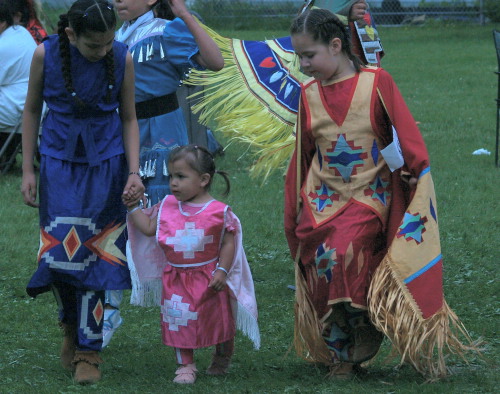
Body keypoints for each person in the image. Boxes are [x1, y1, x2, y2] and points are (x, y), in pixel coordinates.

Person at [284, 8, 478, 380]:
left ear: (336, 45)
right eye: (299, 57)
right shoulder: (308, 95)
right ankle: (341, 347)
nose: (303, 64)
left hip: (368, 194)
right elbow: (303, 153)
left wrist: (416, 173)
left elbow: (403, 133)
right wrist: (293, 206)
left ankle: (363, 330)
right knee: (321, 257)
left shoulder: (376, 82)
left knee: (347, 248)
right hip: (323, 198)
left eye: (309, 55)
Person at [20, 0, 144, 385]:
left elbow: (129, 117)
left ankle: (89, 352)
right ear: (71, 34)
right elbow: (30, 111)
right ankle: (70, 330)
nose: (104, 51)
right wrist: (27, 169)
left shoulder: (121, 57)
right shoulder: (45, 54)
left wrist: (135, 172)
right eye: (95, 46)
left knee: (98, 253)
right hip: (58, 163)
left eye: (109, 43)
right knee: (59, 254)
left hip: (107, 164)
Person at [101, 0, 224, 348]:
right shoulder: (120, 31)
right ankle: (110, 304)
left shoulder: (168, 30)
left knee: (166, 226)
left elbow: (214, 63)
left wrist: (185, 13)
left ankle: (194, 305)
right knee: (114, 216)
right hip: (120, 132)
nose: (118, 0)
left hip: (159, 138)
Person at [125, 144, 260, 384]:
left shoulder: (218, 212)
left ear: (203, 179)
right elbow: (147, 229)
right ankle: (185, 364)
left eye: (181, 176)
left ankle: (222, 355)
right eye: (171, 177)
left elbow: (229, 243)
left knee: (218, 318)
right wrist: (133, 208)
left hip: (209, 277)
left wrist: (222, 270)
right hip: (176, 278)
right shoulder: (167, 206)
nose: (173, 183)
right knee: (178, 319)